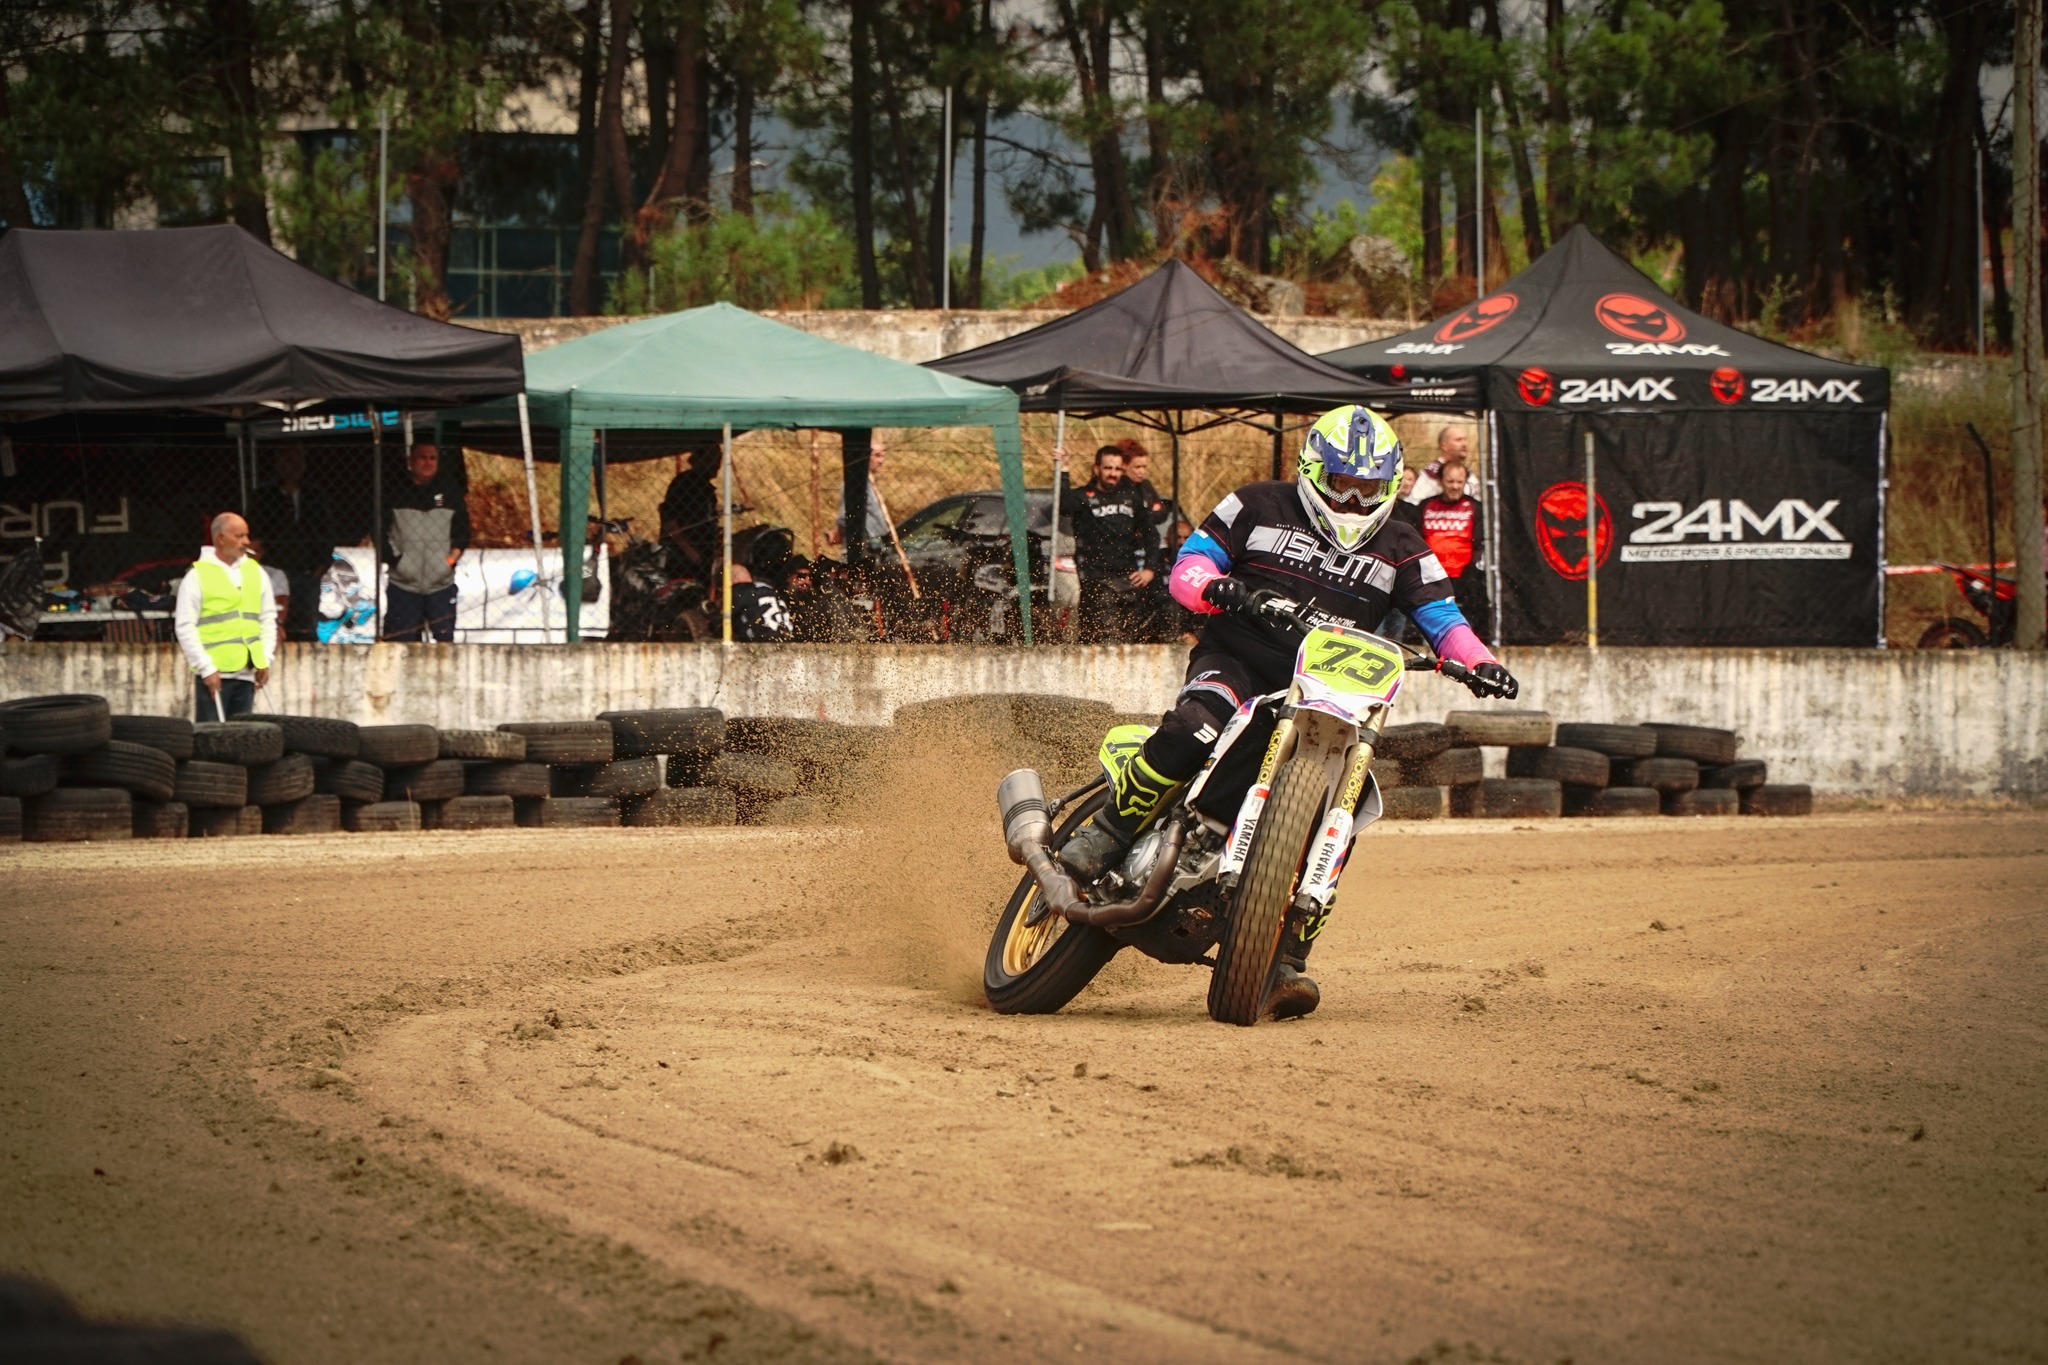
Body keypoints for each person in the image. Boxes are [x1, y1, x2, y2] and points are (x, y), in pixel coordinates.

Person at [1058, 404, 1518, 1020]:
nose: (1355, 499)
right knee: (1196, 725)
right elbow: (1188, 567)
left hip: (1330, 692)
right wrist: (1218, 587)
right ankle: (1108, 832)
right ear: (1312, 470)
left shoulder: (1404, 542)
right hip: (1242, 662)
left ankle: (1285, 960)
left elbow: (1443, 619)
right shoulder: (1255, 504)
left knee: (1344, 808)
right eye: (1344, 485)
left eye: (1370, 488)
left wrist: (1478, 661)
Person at [174, 511, 277, 721]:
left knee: (243, 741)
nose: (246, 542)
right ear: (221, 538)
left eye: (246, 535)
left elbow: (267, 619)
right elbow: (185, 626)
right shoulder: (197, 576)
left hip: (247, 674)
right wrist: (206, 668)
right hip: (214, 675)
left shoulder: (256, 573)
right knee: (212, 743)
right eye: (239, 536)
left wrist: (264, 659)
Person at [1058, 444, 1154, 642]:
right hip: (1097, 581)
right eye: (1108, 468)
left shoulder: (1130, 497)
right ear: (1096, 469)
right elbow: (1064, 506)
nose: (1113, 474)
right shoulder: (1083, 496)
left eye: (1118, 469)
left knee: (1131, 641)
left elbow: (1151, 535)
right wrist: (1063, 470)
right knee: (1103, 640)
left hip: (1129, 580)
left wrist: (1150, 569)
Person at [381, 442, 469, 642]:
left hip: (441, 585)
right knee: (399, 644)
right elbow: (379, 533)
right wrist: (397, 562)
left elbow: (463, 534)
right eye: (422, 457)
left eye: (433, 458)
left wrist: (447, 563)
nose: (428, 462)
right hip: (403, 585)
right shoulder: (394, 493)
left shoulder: (451, 493)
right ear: (411, 462)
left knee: (444, 645)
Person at [247, 447, 336, 642]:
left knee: (306, 625)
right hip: (274, 569)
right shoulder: (264, 495)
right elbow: (255, 530)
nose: (291, 467)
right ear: (277, 464)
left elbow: (327, 531)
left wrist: (322, 564)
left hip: (306, 571)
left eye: (296, 461)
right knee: (273, 623)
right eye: (286, 461)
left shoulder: (314, 495)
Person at [1419, 458, 1490, 631]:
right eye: (1450, 481)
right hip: (1432, 574)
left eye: (1460, 482)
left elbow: (1480, 543)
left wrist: (1471, 569)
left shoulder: (1474, 507)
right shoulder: (1426, 506)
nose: (1455, 486)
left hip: (1465, 575)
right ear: (1441, 481)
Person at [658, 443, 723, 573]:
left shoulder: (706, 488)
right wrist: (691, 553)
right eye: (712, 459)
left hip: (702, 555)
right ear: (699, 459)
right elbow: (669, 521)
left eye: (719, 459)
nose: (717, 465)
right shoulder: (685, 483)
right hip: (682, 556)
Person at [1407, 423, 1471, 504]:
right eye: (1458, 440)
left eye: (1465, 440)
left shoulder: (1468, 472)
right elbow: (1416, 502)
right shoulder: (1432, 474)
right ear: (1444, 446)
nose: (1464, 444)